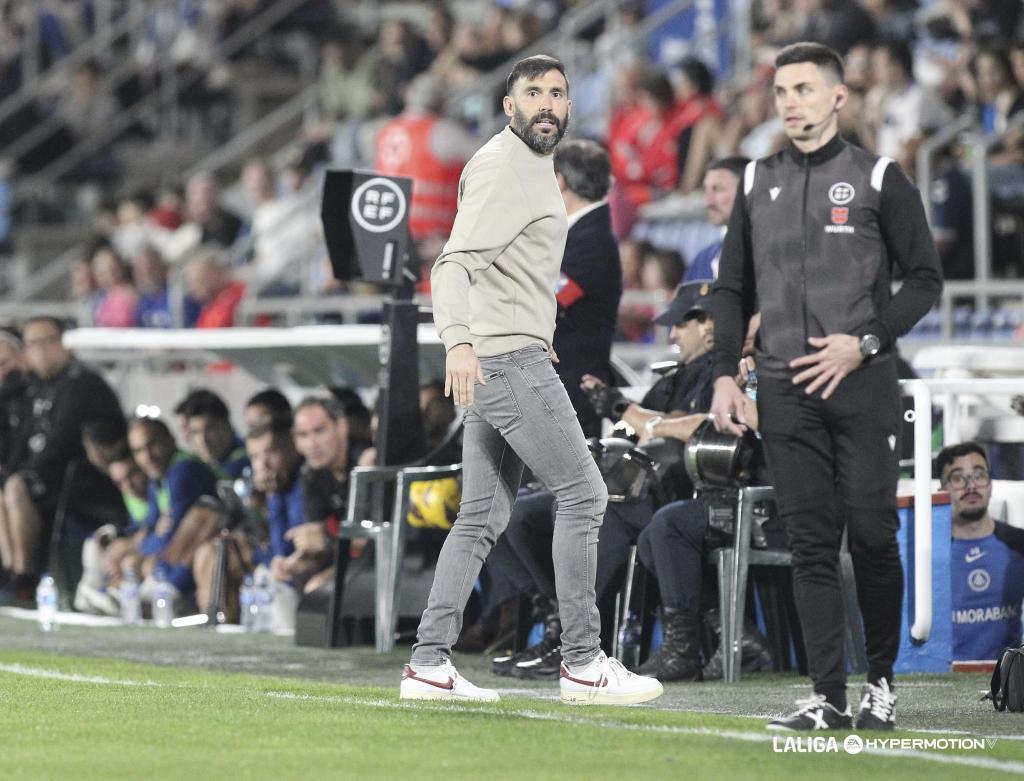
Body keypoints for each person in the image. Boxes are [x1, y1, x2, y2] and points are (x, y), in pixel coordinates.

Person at [401, 54, 662, 706]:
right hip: (504, 360)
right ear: (508, 105)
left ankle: (429, 662)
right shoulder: (501, 167)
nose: (547, 103)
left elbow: (508, 265)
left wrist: (532, 322)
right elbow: (454, 265)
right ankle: (582, 661)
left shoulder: (528, 166)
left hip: (512, 350)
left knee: (481, 518)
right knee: (586, 495)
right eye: (533, 93)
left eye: (557, 93)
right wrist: (459, 341)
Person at [711, 42, 943, 731]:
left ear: (838, 97)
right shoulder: (756, 179)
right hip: (784, 390)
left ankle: (881, 682)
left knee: (872, 535)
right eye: (781, 90)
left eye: (805, 89)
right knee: (811, 542)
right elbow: (731, 286)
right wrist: (726, 371)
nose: (790, 102)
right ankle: (828, 695)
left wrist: (865, 340)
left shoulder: (878, 177)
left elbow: (925, 278)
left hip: (864, 382)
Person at [488, 280, 718, 679]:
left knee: (591, 510)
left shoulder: (720, 374)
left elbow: (687, 427)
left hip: (669, 495)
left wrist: (623, 409)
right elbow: (633, 429)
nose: (674, 334)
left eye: (682, 324)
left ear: (709, 323)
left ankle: (581, 641)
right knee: (512, 514)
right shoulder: (674, 378)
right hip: (637, 489)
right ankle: (557, 618)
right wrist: (616, 408)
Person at [0, 316, 125, 604]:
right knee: (9, 484)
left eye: (48, 341)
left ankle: (24, 576)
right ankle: (8, 570)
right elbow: (22, 440)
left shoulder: (82, 383)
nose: (40, 350)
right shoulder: (37, 388)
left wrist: (22, 473)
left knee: (17, 486)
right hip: (47, 480)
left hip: (85, 484)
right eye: (32, 343)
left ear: (67, 345)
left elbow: (60, 442)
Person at [550, 139, 623, 439]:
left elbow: (551, 299)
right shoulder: (580, 234)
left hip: (571, 390)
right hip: (560, 387)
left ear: (560, 181)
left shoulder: (591, 243)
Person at [938, 442, 1024, 662]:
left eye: (978, 475)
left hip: (1008, 680)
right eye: (958, 478)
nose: (971, 486)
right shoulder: (929, 555)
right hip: (949, 680)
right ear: (942, 489)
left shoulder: (1018, 544)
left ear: (990, 484)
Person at [683, 157, 749, 282]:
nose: (708, 202)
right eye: (705, 190)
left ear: (747, 191)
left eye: (717, 189)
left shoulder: (770, 255)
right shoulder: (703, 260)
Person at [174, 388, 249, 479]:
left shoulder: (246, 461)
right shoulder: (206, 465)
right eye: (195, 432)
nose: (203, 440)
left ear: (227, 426)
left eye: (209, 430)